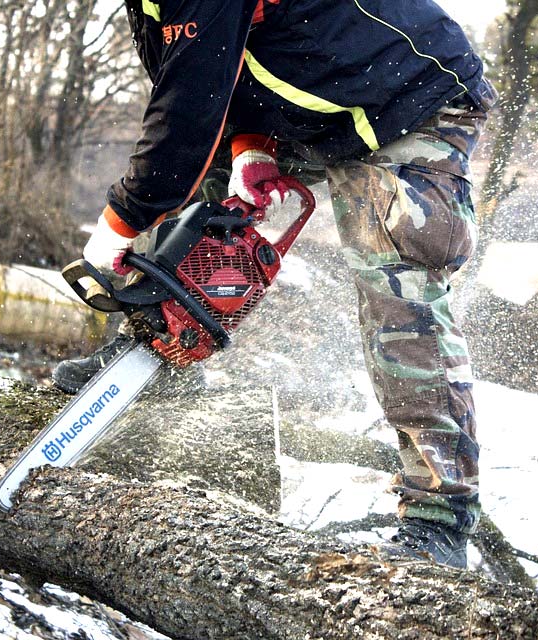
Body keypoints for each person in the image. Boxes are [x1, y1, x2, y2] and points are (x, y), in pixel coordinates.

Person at [53, 0, 497, 569]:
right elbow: (219, 84)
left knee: (396, 284)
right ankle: (158, 348)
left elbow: (183, 119)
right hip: (321, 108)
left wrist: (118, 224)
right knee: (201, 193)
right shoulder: (149, 9)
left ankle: (440, 516)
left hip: (411, 94)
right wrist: (251, 149)